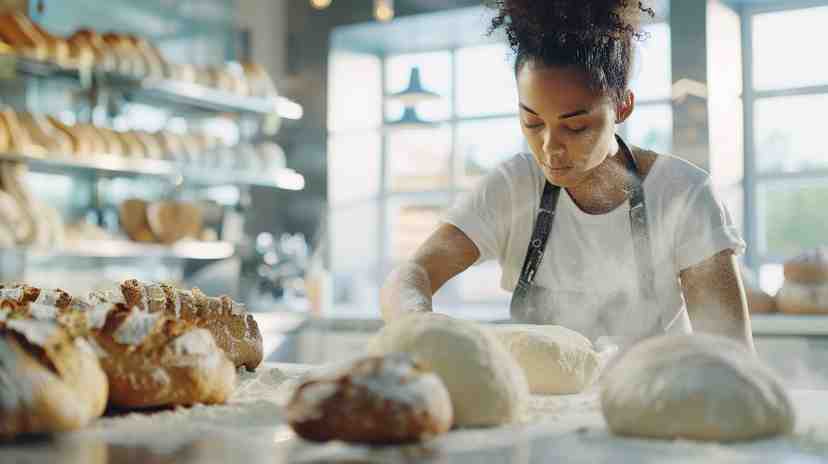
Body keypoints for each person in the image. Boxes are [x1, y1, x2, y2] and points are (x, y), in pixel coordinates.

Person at [380, 0, 754, 351]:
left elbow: (731, 354)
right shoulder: (513, 187)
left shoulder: (682, 194)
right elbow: (412, 273)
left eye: (576, 127)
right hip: (538, 414)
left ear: (623, 105)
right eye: (532, 122)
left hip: (655, 409)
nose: (549, 148)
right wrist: (416, 326)